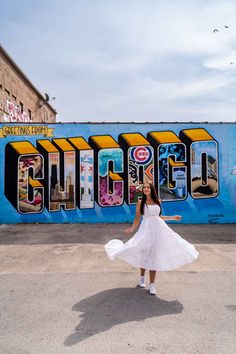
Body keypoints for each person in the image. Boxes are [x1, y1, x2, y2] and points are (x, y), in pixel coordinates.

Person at [105, 181, 199, 295]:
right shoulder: (140, 202)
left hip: (158, 231)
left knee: (153, 256)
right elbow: (137, 218)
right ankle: (141, 278)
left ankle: (152, 285)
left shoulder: (158, 201)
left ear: (151, 189)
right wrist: (132, 228)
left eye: (148, 187)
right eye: (144, 187)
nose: (145, 189)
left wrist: (173, 217)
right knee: (144, 254)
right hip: (145, 231)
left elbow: (159, 217)